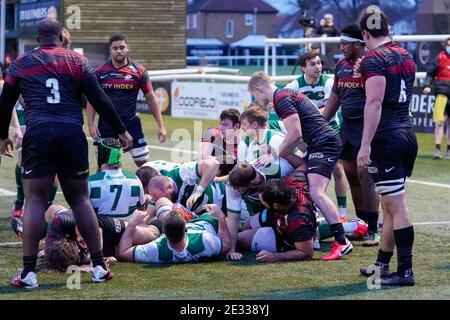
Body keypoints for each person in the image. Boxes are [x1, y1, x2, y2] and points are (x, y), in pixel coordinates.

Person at [0, 19, 133, 288]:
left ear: (38, 38)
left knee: (35, 201)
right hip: (71, 134)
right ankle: (98, 266)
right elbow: (100, 99)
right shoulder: (78, 61)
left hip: (38, 135)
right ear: (61, 36)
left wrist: (3, 136)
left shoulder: (21, 63)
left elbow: (5, 103)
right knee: (80, 200)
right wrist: (122, 130)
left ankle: (28, 273)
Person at [248, 71, 352, 261]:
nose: (257, 100)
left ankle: (342, 241)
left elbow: (295, 134)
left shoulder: (281, 98)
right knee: (312, 192)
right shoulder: (284, 95)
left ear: (258, 89)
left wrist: (274, 154)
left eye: (255, 95)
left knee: (316, 193)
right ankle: (322, 235)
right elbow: (299, 133)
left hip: (324, 144)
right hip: (319, 143)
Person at [357, 7, 417, 286]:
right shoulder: (405, 54)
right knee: (390, 204)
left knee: (397, 205)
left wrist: (365, 144)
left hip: (387, 138)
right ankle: (382, 263)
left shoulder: (373, 58)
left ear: (366, 33)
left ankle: (405, 271)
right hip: (405, 132)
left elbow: (376, 102)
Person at [323, 23, 380, 246]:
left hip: (366, 129)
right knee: (352, 178)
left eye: (345, 43)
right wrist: (320, 123)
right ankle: (362, 223)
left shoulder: (372, 64)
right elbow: (334, 98)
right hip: (346, 129)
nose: (342, 47)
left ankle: (374, 229)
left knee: (367, 179)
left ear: (358, 44)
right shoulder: (341, 66)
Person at [286, 51, 349, 221]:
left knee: (336, 167)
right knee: (300, 165)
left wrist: (305, 115)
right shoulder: (293, 86)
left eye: (319, 63)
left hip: (331, 129)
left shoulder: (329, 82)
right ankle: (313, 208)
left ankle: (342, 213)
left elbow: (330, 108)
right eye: (313, 64)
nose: (318, 67)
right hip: (307, 134)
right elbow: (287, 112)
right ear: (303, 68)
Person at [87, 33, 166, 168]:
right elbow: (92, 100)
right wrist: (90, 124)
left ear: (127, 48)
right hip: (107, 126)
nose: (119, 51)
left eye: (122, 47)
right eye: (115, 48)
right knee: (106, 166)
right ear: (110, 50)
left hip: (131, 124)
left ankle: (148, 189)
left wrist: (161, 125)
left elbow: (151, 98)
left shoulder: (139, 71)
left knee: (144, 166)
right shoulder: (100, 72)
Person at [118, 204, 231, 263]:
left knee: (163, 203)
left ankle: (182, 211)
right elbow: (226, 245)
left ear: (163, 233)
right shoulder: (204, 241)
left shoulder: (155, 250)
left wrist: (132, 224)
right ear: (185, 229)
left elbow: (123, 253)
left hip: (194, 222)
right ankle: (184, 212)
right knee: (169, 205)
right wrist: (220, 217)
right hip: (207, 221)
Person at [89, 138, 145, 219]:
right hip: (129, 228)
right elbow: (141, 209)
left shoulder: (91, 182)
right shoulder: (134, 179)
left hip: (102, 229)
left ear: (100, 156)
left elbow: (81, 212)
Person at [423, 37, 450, 159]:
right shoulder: (439, 58)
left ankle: (449, 151)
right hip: (441, 93)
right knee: (439, 121)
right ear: (445, 46)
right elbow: (430, 73)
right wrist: (428, 85)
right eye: (448, 45)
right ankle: (437, 150)